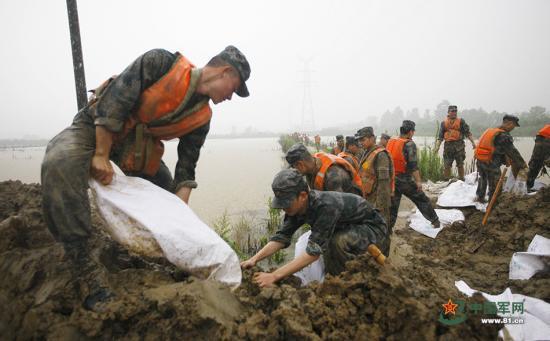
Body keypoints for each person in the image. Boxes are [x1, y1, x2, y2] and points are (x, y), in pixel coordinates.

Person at [41, 46, 251, 301]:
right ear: (225, 71)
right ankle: (83, 268)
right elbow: (114, 104)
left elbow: (186, 168)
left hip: (137, 147)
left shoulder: (203, 118)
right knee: (59, 161)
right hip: (96, 126)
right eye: (234, 88)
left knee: (166, 197)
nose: (231, 97)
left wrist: (178, 213)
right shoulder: (160, 63)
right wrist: (99, 155)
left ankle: (177, 260)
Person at [241, 169, 390, 287]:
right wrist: (254, 259)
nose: (284, 208)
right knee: (309, 241)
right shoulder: (295, 209)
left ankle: (347, 281)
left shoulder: (326, 206)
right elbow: (281, 238)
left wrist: (274, 275)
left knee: (337, 242)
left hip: (373, 228)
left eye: (287, 203)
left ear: (303, 195)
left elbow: (313, 253)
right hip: (346, 225)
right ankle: (333, 275)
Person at [387, 120, 440, 229]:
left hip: (391, 180)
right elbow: (413, 166)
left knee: (392, 208)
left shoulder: (391, 140)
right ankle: (435, 221)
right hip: (403, 180)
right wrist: (418, 182)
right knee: (421, 199)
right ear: (410, 132)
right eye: (413, 131)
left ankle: (387, 230)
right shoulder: (409, 144)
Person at [474, 115, 528, 201]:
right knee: (495, 186)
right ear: (510, 124)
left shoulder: (491, 131)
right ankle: (493, 205)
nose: (513, 128)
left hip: (480, 160)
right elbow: (513, 153)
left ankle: (479, 198)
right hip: (491, 163)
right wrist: (523, 164)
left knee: (482, 179)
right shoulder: (504, 135)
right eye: (513, 126)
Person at [286, 143, 363, 196]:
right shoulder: (310, 168)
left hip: (353, 211)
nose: (295, 170)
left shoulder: (332, 175)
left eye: (294, 167)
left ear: (300, 164)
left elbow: (338, 208)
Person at [356, 127, 393, 228]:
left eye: (363, 140)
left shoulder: (381, 155)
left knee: (381, 226)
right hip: (368, 198)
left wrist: (381, 205)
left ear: (372, 138)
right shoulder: (366, 152)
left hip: (378, 200)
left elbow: (384, 183)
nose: (360, 143)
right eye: (359, 140)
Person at [434, 105, 476, 181]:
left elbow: (468, 133)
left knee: (460, 164)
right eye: (452, 111)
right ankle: (446, 180)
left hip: (459, 146)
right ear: (448, 112)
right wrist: (437, 147)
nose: (454, 113)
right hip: (448, 147)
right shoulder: (443, 123)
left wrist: (473, 143)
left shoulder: (461, 121)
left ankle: (461, 179)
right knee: (447, 165)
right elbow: (440, 137)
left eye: (455, 111)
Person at [527, 124, 550, 190]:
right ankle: (526, 186)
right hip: (545, 139)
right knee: (536, 163)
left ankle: (527, 185)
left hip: (543, 138)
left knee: (536, 162)